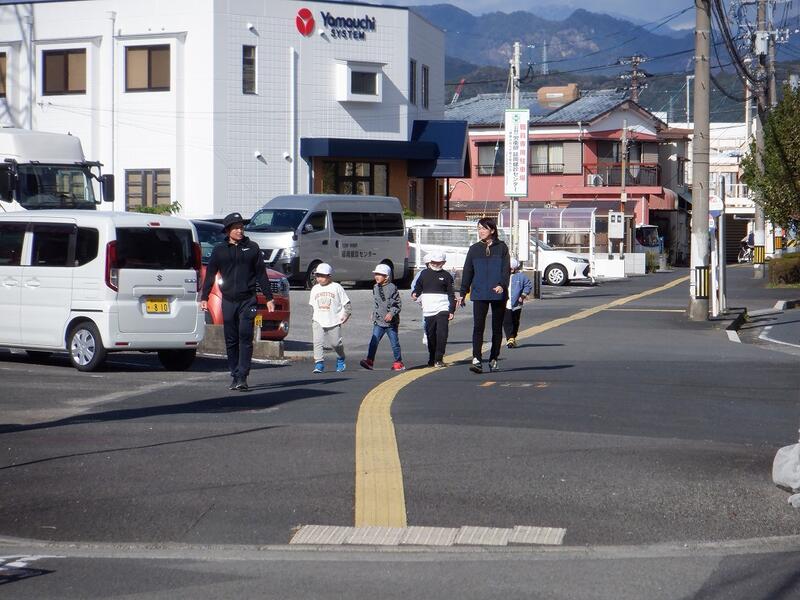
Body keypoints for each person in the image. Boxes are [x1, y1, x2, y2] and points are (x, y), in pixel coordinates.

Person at [200, 212, 275, 392]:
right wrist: (204, 297)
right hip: (228, 300)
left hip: (248, 300)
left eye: (241, 227)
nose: (240, 231)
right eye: (236, 228)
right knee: (231, 339)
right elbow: (210, 274)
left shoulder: (252, 248)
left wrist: (269, 297)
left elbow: (261, 274)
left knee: (245, 336)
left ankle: (243, 376)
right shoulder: (219, 250)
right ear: (228, 231)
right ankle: (234, 373)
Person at [458, 217, 511, 374]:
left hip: (497, 293)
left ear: (492, 230)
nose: (480, 231)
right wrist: (462, 292)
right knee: (478, 327)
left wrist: (502, 285)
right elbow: (468, 271)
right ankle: (476, 359)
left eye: (484, 228)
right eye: (479, 228)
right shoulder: (474, 249)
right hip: (479, 292)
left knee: (496, 328)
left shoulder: (502, 248)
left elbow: (505, 270)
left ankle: (494, 358)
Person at [412, 250, 455, 368]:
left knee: (442, 333)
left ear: (443, 262)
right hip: (429, 308)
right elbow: (418, 286)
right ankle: (432, 358)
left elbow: (451, 294)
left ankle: (439, 359)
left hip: (443, 307)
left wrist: (451, 310)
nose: (435, 264)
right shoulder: (424, 274)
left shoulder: (447, 276)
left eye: (438, 262)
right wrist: (415, 293)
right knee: (430, 335)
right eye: (433, 262)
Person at [308, 262, 351, 373]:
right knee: (317, 342)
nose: (319, 278)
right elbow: (312, 305)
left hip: (334, 319)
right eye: (318, 275)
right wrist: (313, 317)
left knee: (335, 343)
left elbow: (347, 303)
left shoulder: (336, 287)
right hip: (318, 319)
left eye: (322, 276)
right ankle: (319, 363)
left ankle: (340, 357)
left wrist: (346, 314)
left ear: (329, 276)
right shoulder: (315, 289)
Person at [360, 264, 404, 371]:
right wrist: (374, 313)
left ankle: (398, 362)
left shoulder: (392, 288)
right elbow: (377, 303)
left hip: (391, 323)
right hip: (379, 321)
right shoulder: (375, 287)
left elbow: (397, 304)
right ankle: (370, 361)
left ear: (386, 277)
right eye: (376, 274)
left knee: (394, 343)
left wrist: (391, 313)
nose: (377, 276)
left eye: (380, 274)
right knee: (374, 341)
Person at [504, 258, 532, 348]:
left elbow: (528, 285)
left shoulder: (521, 276)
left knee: (515, 321)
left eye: (510, 269)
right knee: (507, 321)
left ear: (514, 269)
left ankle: (513, 336)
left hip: (517, 304)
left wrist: (523, 295)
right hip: (505, 303)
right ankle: (510, 338)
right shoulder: (503, 276)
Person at [411, 255, 432, 346]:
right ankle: (426, 334)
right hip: (425, 300)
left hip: (438, 301)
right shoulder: (421, 273)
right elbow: (414, 286)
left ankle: (435, 336)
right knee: (425, 319)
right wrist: (418, 298)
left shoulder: (441, 273)